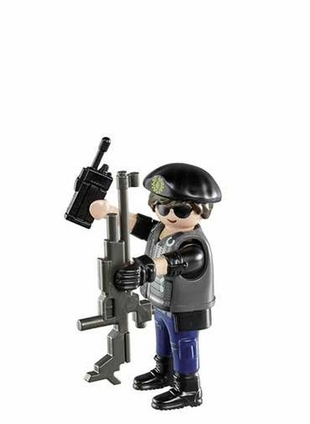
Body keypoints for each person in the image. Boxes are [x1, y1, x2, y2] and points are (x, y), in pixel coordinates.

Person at [89, 163, 221, 410]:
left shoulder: (194, 245)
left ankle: (188, 388)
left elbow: (174, 262)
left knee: (183, 344)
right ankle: (164, 372)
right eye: (163, 207)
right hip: (162, 303)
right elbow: (134, 223)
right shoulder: (159, 230)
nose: (171, 215)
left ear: (202, 211)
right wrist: (109, 211)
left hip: (185, 309)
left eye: (182, 210)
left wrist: (145, 268)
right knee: (163, 338)